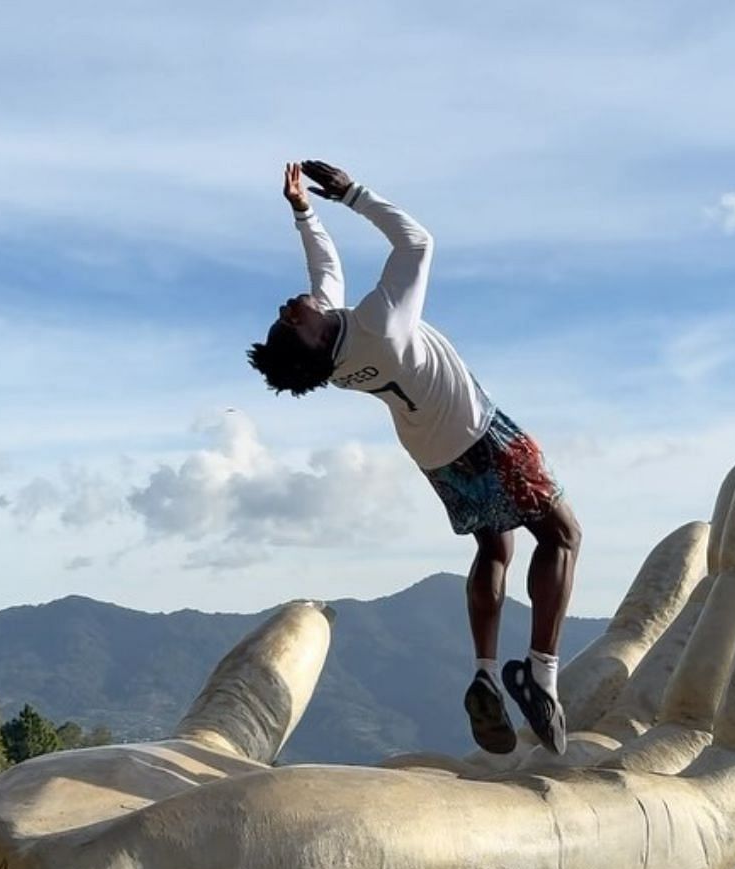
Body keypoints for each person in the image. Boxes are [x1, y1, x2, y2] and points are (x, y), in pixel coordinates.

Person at [245, 161, 581, 754]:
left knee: (494, 546)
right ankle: (541, 672)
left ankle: (484, 672)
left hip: (431, 451)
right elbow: (417, 241)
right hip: (478, 430)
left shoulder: (338, 355)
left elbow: (324, 272)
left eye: (282, 318)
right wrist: (354, 194)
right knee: (561, 536)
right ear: (316, 341)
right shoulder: (378, 325)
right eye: (291, 323)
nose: (286, 310)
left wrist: (304, 212)